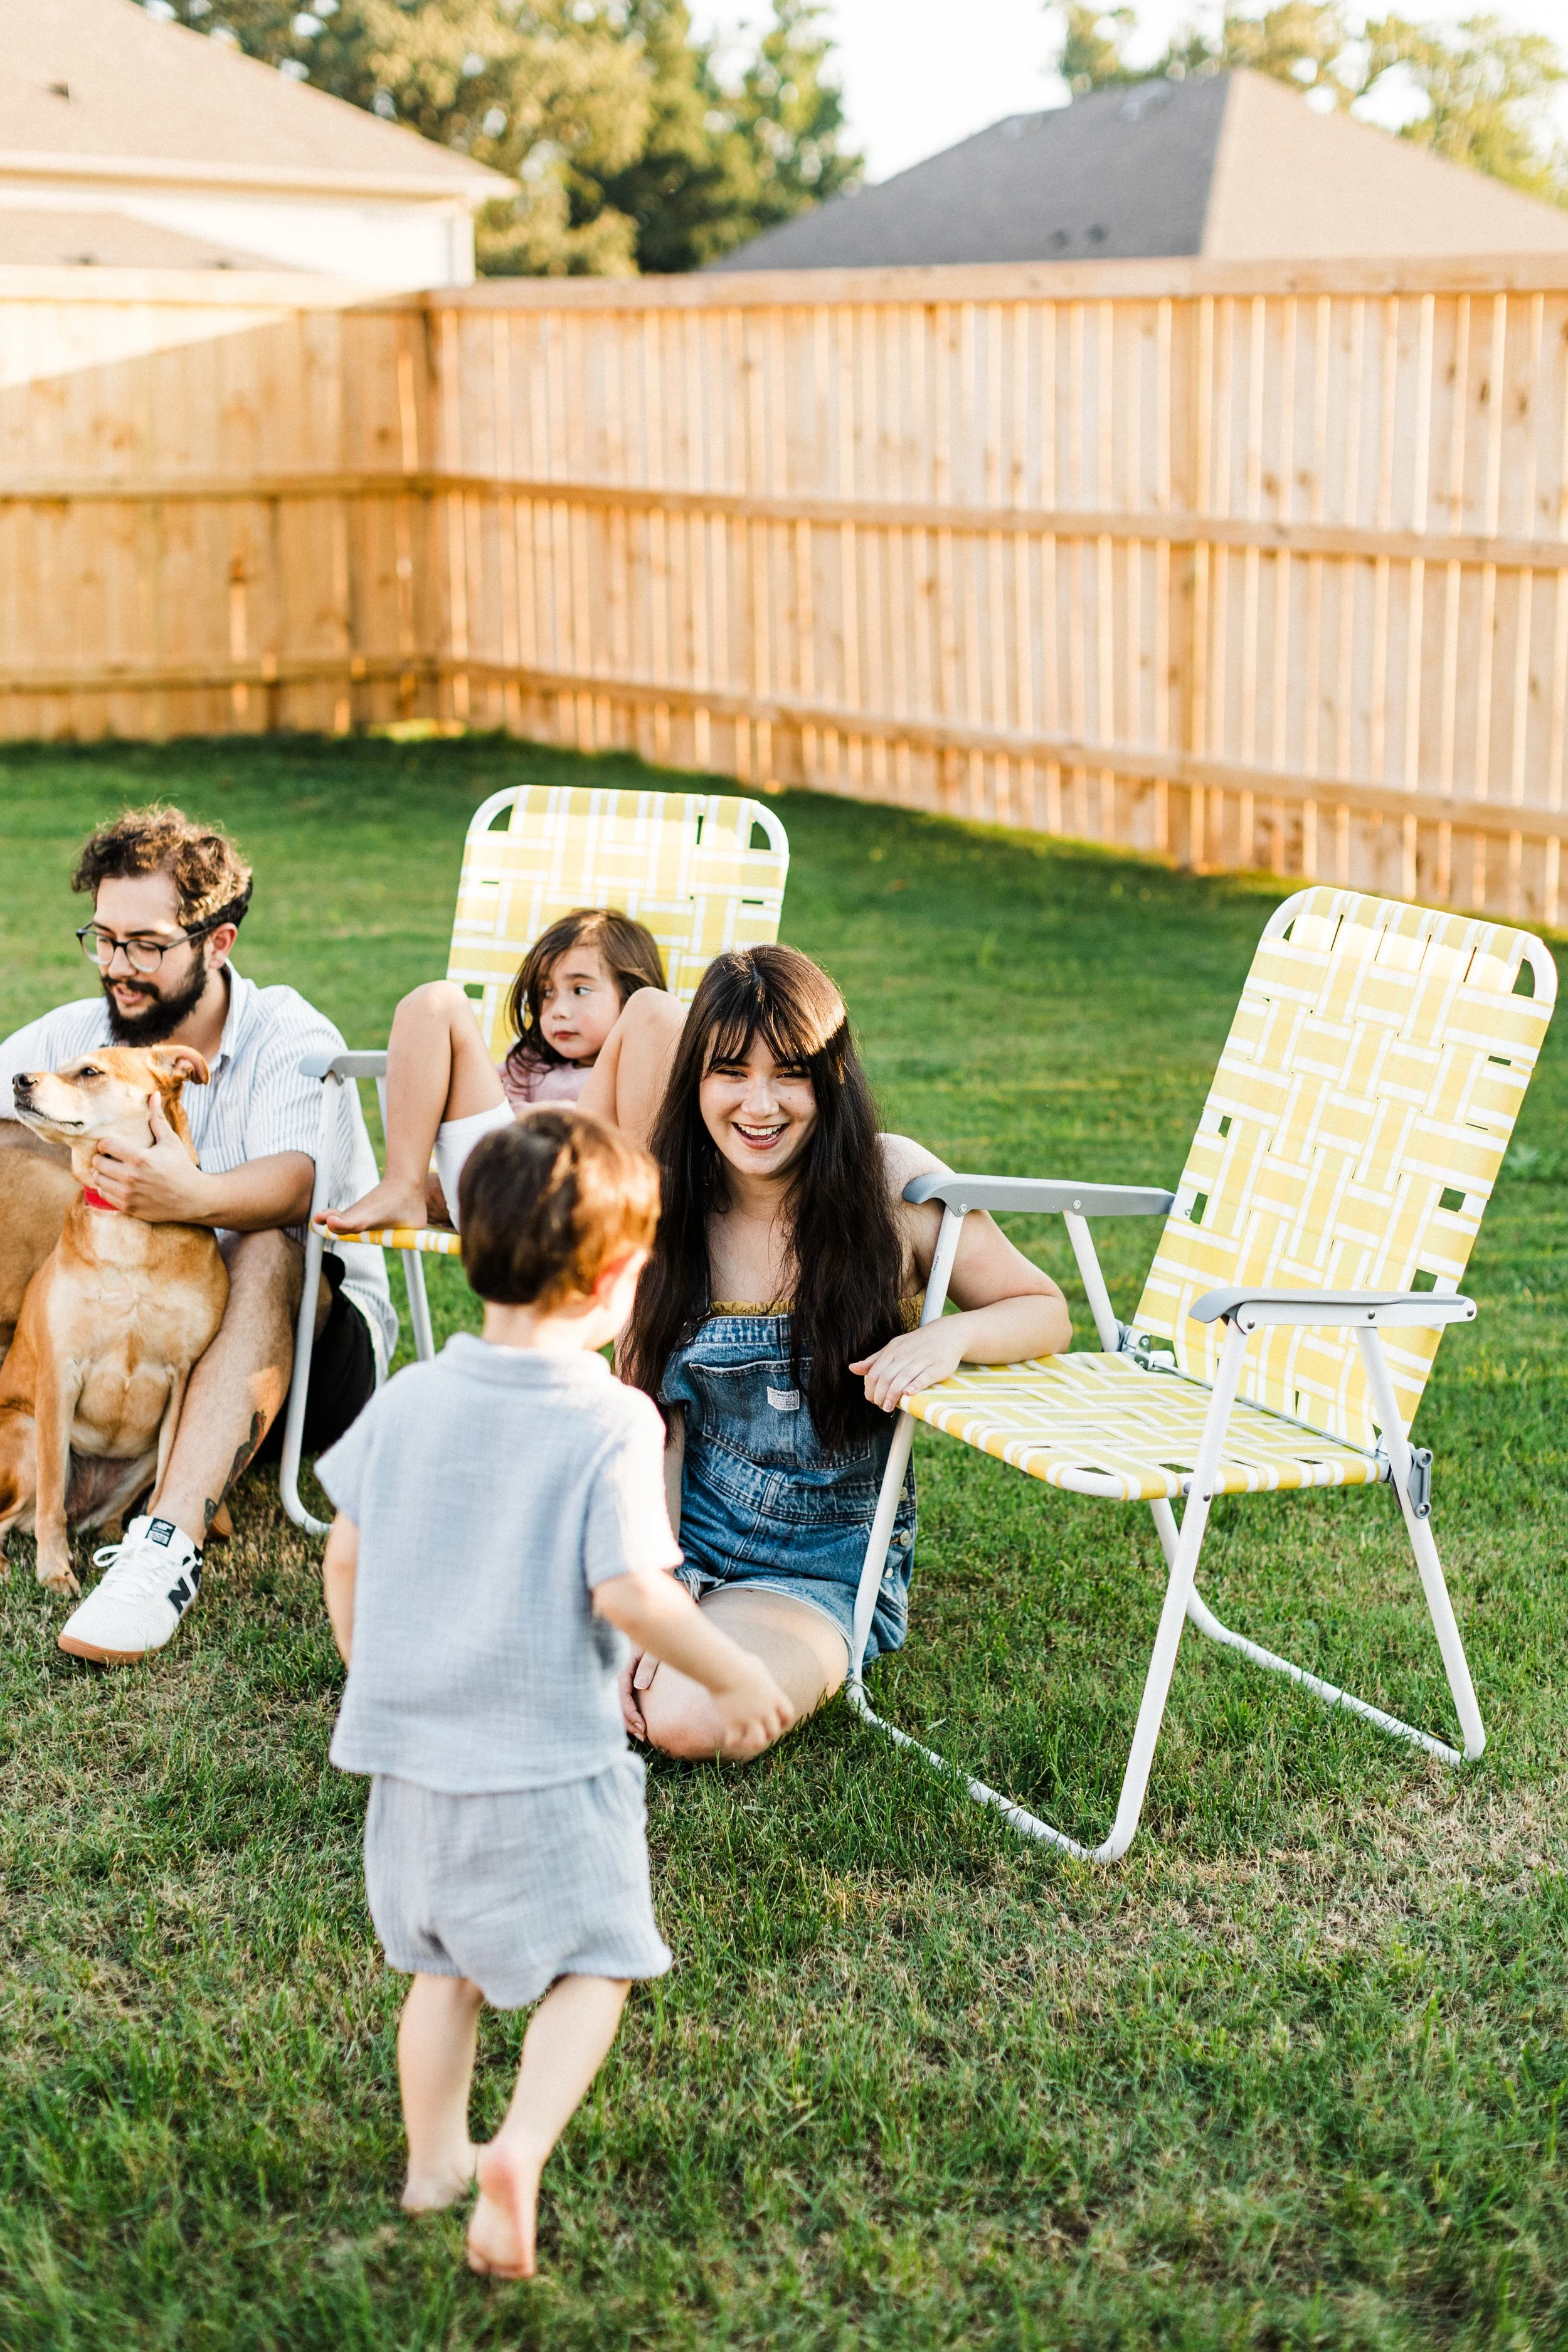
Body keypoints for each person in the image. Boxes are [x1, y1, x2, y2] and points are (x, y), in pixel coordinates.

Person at [315, 1111, 793, 2278]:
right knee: (599, 1961)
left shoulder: (416, 1397)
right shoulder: (610, 1419)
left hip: (414, 1761)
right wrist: (733, 1670)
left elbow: (345, 1551)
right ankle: (519, 2146)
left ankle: (434, 2162)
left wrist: (366, 1671)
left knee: (443, 1972)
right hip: (550, 1763)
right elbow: (632, 1589)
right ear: (622, 1277)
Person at [616, 944, 1073, 1760]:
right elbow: (654, 1424)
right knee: (521, 1650)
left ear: (831, 1077)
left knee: (686, 1714)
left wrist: (950, 1335)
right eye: (731, 1071)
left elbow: (1043, 1309)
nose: (760, 1103)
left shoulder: (892, 1182)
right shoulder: (670, 1204)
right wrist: (657, 1585)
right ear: (696, 1081)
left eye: (788, 1072)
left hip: (815, 1572)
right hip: (680, 1536)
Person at [0, 806, 396, 1663]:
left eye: (146, 945)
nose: (118, 969)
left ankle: (163, 1548)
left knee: (268, 1237)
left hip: (308, 1341)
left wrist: (192, 1194)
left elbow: (298, 1184)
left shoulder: (287, 1032)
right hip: (127, 1331)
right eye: (103, 941)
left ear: (216, 943)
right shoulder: (81, 1036)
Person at [324, 908, 666, 1239]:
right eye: (547, 993)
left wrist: (555, 1119)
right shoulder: (525, 1067)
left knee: (656, 1010)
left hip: (591, 1201)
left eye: (580, 990)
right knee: (432, 1001)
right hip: (494, 1188)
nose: (558, 1011)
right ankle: (403, 1186)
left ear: (628, 994)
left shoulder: (636, 1070)